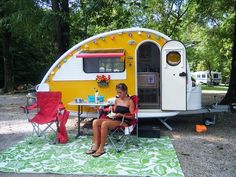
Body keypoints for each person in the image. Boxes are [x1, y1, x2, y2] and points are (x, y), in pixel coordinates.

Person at [86, 83, 135, 157]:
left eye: (120, 92)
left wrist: (121, 115)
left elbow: (133, 117)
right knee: (95, 121)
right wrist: (111, 108)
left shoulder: (130, 102)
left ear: (125, 91)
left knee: (105, 123)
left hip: (123, 122)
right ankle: (96, 146)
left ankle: (101, 148)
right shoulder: (117, 100)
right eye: (117, 92)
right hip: (115, 119)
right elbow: (114, 111)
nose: (118, 94)